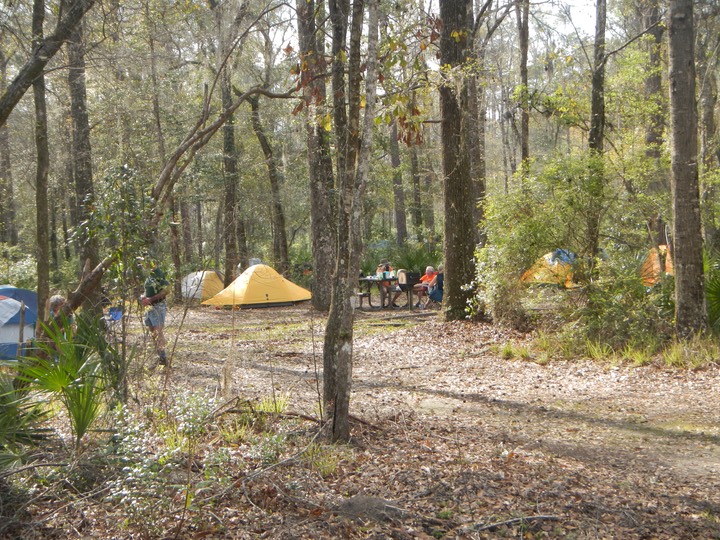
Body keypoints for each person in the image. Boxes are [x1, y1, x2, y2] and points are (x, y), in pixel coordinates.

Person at [141, 263, 170, 366]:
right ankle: (160, 357)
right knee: (153, 332)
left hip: (158, 306)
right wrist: (144, 297)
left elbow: (166, 290)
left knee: (158, 331)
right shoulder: (148, 276)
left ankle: (163, 358)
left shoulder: (159, 274)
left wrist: (151, 299)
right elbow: (148, 291)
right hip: (149, 308)